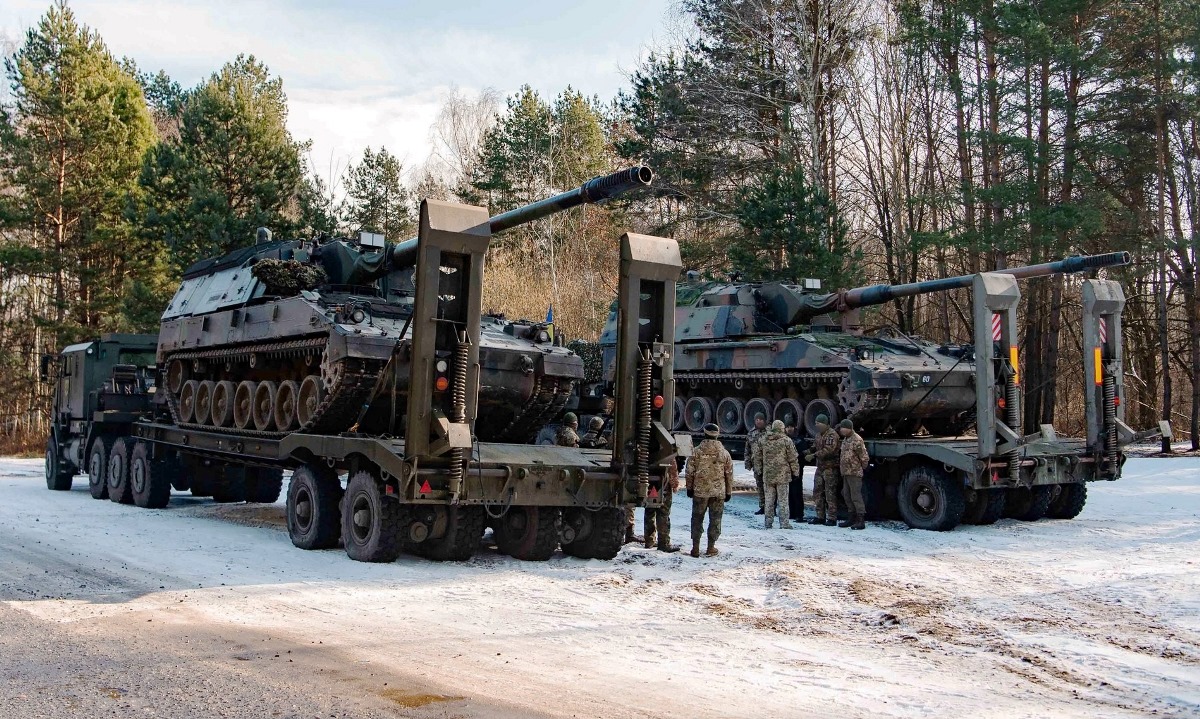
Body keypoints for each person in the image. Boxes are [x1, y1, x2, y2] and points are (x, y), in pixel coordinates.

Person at [686, 423, 733, 557]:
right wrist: (728, 491)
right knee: (715, 520)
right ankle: (711, 547)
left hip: (700, 492)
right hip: (718, 493)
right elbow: (729, 474)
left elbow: (690, 471)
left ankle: (695, 548)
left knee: (697, 519)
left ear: (704, 434)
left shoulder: (696, 451)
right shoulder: (724, 453)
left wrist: (689, 488)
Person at [753, 420, 800, 529]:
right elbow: (792, 458)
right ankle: (784, 523)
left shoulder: (763, 440)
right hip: (783, 476)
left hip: (768, 475)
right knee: (783, 500)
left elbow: (757, 457)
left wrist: (759, 470)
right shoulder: (786, 441)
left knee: (769, 500)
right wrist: (795, 472)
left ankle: (768, 522)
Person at [804, 414, 841, 527]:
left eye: (819, 423)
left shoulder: (832, 435)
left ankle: (832, 517)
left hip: (830, 468)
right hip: (820, 468)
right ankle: (820, 516)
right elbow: (816, 446)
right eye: (816, 423)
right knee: (817, 492)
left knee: (830, 493)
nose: (817, 425)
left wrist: (813, 455)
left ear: (825, 424)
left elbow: (828, 450)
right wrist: (809, 450)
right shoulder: (818, 435)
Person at [837, 419, 870, 530]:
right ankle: (851, 517)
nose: (841, 430)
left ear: (849, 428)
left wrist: (862, 468)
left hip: (854, 472)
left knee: (856, 496)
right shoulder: (846, 439)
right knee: (846, 494)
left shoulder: (857, 440)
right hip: (846, 472)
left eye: (843, 428)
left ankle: (860, 520)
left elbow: (864, 456)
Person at [645, 456, 682, 552]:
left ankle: (649, 541)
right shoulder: (667, 451)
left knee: (649, 512)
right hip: (663, 486)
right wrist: (675, 485)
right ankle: (664, 543)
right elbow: (672, 470)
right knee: (663, 514)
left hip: (648, 485)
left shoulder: (645, 450)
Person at [743, 413, 768, 515]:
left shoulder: (769, 432)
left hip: (768, 465)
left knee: (769, 488)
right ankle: (763, 506)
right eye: (757, 419)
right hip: (757, 464)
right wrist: (747, 463)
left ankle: (771, 508)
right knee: (760, 487)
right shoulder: (751, 433)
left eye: (761, 419)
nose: (759, 421)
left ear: (765, 421)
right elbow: (747, 450)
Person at [786, 424, 810, 522]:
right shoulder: (784, 440)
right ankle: (792, 513)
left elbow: (804, 453)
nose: (789, 429)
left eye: (791, 426)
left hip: (797, 468)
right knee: (789, 492)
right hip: (787, 470)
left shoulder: (800, 440)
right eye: (787, 427)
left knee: (797, 492)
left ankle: (799, 514)